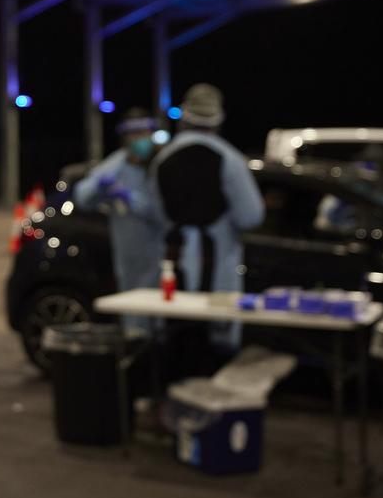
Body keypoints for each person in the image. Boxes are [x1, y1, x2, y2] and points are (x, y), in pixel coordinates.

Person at [150, 84, 264, 352]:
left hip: (174, 261)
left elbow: (157, 213)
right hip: (219, 264)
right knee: (217, 341)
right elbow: (251, 216)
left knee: (177, 334)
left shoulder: (163, 158)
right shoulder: (230, 159)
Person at [73, 108, 164, 334]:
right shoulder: (116, 165)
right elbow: (82, 197)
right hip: (126, 257)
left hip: (156, 256)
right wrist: (99, 188)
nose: (140, 139)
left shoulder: (158, 167)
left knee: (156, 317)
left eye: (144, 133)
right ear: (125, 137)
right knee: (132, 317)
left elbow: (160, 212)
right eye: (134, 133)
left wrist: (130, 197)